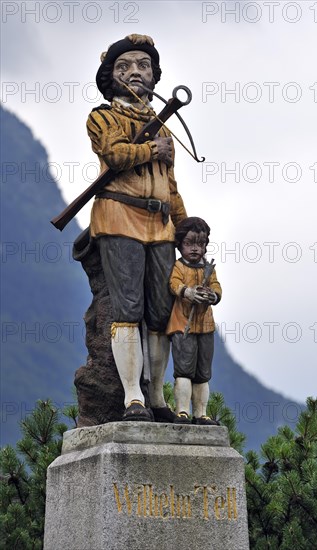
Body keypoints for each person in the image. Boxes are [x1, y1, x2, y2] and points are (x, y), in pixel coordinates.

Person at [87, 33, 187, 422]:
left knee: (161, 312)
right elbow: (114, 153)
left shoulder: (164, 129)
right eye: (124, 66)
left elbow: (171, 185)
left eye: (143, 65)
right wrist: (149, 150)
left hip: (160, 224)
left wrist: (184, 229)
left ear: (154, 75)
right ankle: (133, 398)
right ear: (111, 76)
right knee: (128, 308)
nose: (135, 72)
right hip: (119, 218)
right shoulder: (102, 116)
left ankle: (158, 398)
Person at [166, 217, 222, 425]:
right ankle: (182, 411)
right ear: (180, 244)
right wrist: (187, 292)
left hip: (205, 326)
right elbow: (174, 283)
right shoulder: (179, 267)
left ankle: (201, 413)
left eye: (200, 244)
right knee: (184, 370)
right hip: (183, 324)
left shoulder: (209, 269)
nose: (195, 249)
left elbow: (216, 286)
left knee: (202, 373)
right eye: (190, 243)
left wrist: (212, 296)